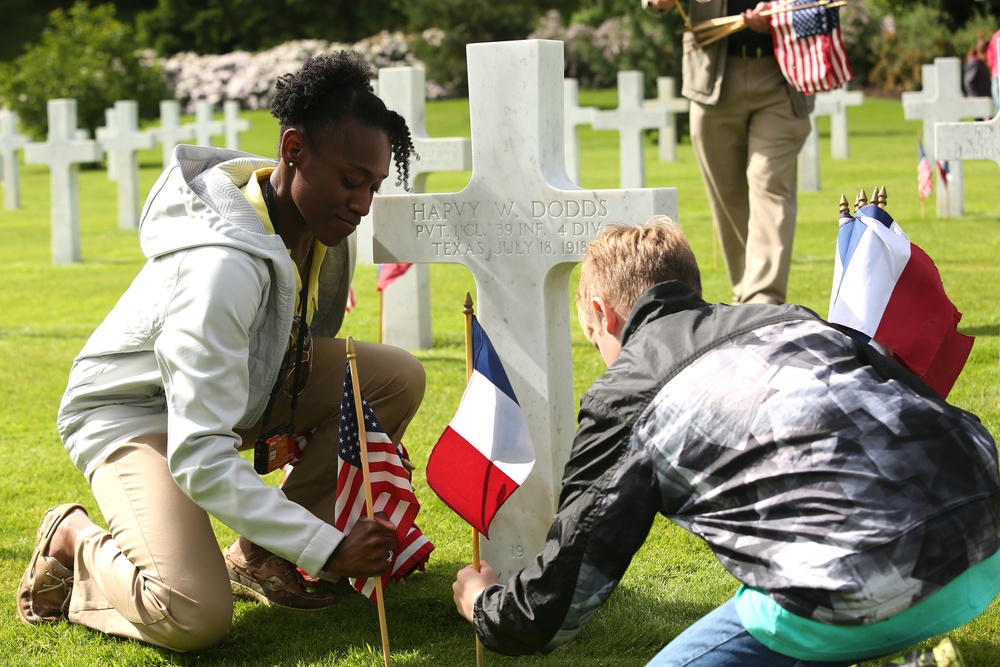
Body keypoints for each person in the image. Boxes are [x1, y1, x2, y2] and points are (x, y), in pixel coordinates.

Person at [452, 217, 1000, 665]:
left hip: (861, 585)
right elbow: (918, 397)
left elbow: (563, 595)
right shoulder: (790, 319)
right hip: (986, 537)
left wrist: (487, 606)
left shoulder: (626, 392)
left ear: (602, 314)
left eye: (594, 339)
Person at [17, 52, 426, 652]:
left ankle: (257, 556)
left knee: (393, 377)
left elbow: (299, 348)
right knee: (191, 614)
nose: (363, 203)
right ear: (293, 151)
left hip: (240, 390)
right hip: (134, 413)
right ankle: (72, 539)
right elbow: (199, 453)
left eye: (373, 185)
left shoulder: (318, 230)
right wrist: (327, 544)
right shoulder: (221, 268)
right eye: (350, 179)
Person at [641, 0, 812, 305]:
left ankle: (763, 301)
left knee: (769, 183)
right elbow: (654, 4)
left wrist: (778, 12)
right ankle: (745, 293)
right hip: (713, 80)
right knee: (728, 197)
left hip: (781, 78)